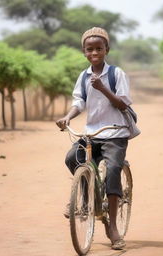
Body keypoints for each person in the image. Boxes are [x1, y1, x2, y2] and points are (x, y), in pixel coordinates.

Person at [56, 27, 133, 250]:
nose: (94, 52)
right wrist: (67, 117)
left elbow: (123, 103)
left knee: (112, 170)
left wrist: (103, 87)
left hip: (115, 132)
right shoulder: (83, 76)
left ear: (106, 49)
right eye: (90, 49)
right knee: (72, 158)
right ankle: (85, 197)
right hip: (92, 132)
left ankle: (112, 228)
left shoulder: (116, 74)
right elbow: (79, 102)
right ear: (84, 51)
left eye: (99, 48)